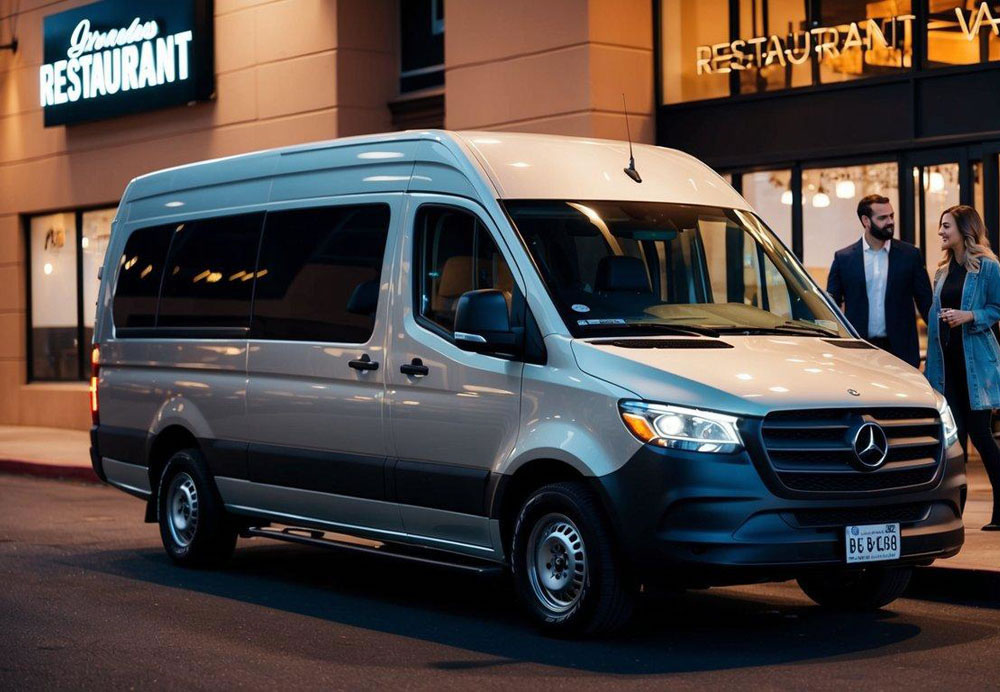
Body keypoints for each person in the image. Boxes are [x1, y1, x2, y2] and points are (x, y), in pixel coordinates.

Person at [925, 205, 1000, 530]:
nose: (940, 232)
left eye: (946, 226)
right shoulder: (941, 271)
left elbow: (997, 307)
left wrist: (970, 316)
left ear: (963, 229)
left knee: (981, 437)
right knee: (952, 442)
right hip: (946, 366)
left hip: (975, 367)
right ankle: (955, 514)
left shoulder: (987, 267)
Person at [827, 194, 933, 368]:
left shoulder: (910, 255)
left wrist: (941, 339)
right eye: (883, 218)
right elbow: (831, 305)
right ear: (866, 221)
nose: (890, 222)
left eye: (891, 216)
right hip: (859, 350)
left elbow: (926, 303)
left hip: (901, 351)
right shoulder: (843, 258)